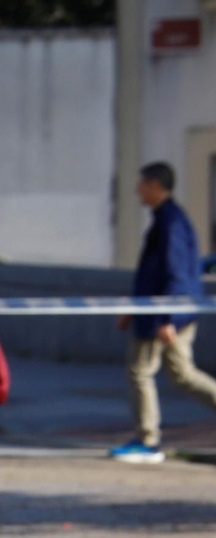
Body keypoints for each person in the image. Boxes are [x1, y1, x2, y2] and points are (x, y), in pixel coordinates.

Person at [109, 162, 215, 464]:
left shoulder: (171, 223)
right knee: (183, 375)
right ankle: (146, 439)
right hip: (162, 313)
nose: (137, 191)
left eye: (141, 184)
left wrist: (168, 318)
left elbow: (177, 274)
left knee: (140, 371)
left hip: (164, 315)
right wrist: (133, 307)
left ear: (155, 185)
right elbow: (154, 273)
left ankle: (147, 441)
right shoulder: (166, 221)